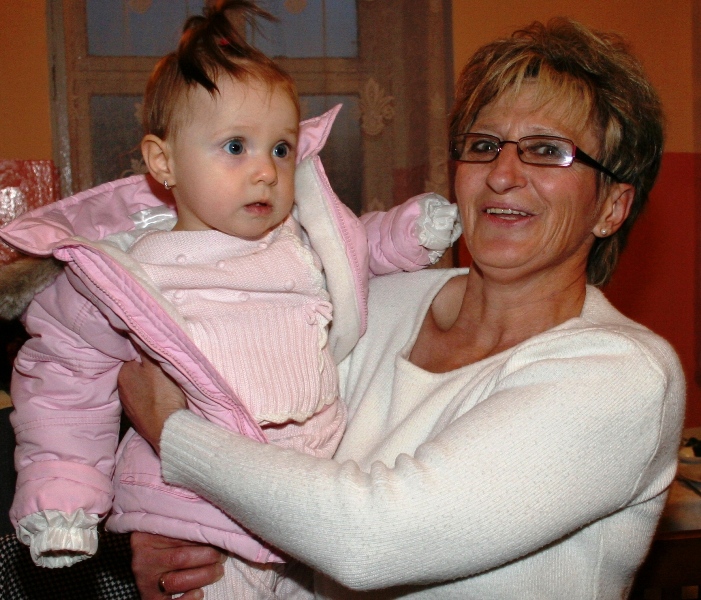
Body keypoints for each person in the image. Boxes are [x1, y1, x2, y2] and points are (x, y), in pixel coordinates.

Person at [118, 17, 686, 600]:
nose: (502, 175)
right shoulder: (374, 305)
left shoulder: (623, 376)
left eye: (547, 150)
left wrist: (175, 436)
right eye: (484, 145)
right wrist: (182, 534)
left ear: (612, 207)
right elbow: (277, 479)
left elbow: (370, 537)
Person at [0, 1, 459, 597]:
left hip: (308, 506)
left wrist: (408, 231)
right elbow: (64, 381)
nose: (266, 171)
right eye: (236, 146)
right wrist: (63, 499)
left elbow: (357, 249)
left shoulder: (299, 242)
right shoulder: (126, 277)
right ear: (163, 161)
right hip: (198, 525)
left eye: (281, 149)